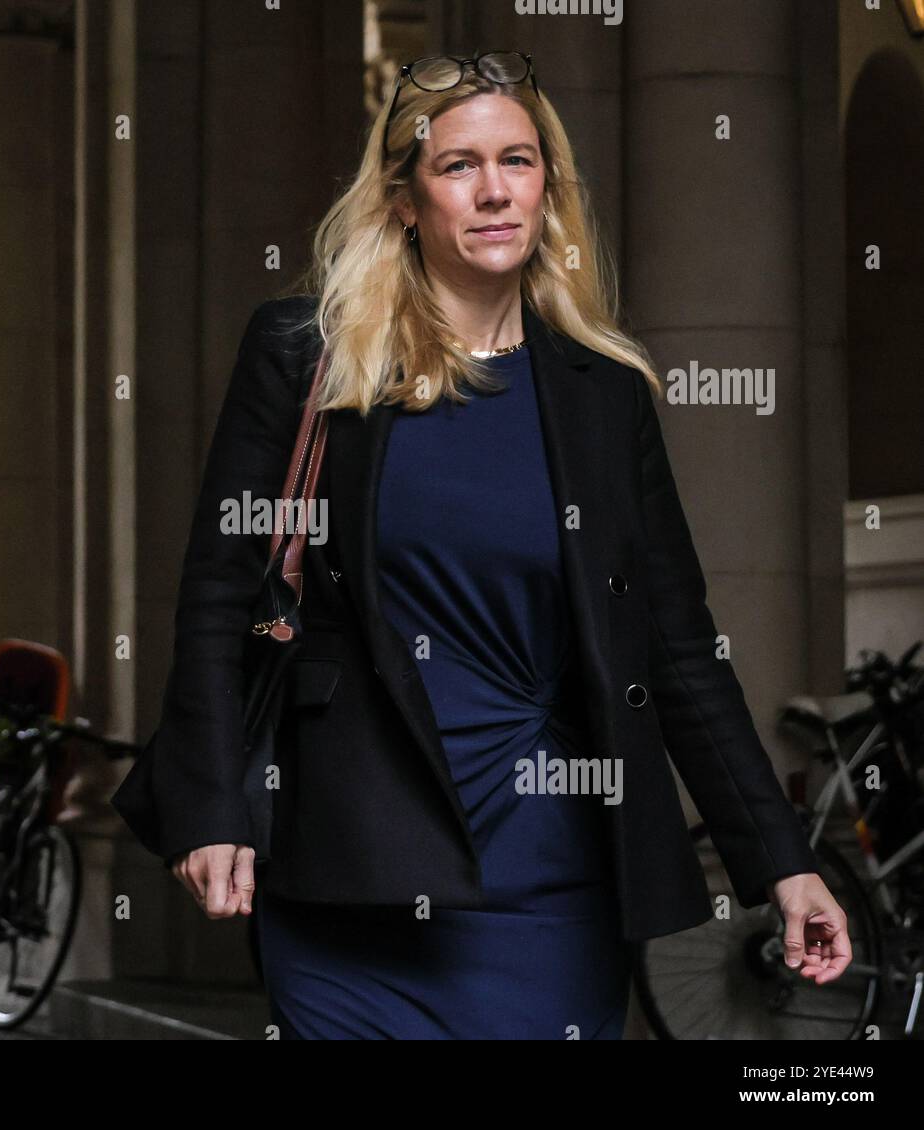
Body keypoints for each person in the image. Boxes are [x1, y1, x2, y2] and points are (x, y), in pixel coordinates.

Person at [112, 49, 850, 1039]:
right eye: (458, 164)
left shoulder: (603, 393)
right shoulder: (305, 356)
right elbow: (219, 594)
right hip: (348, 869)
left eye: (520, 159)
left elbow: (674, 641)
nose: (495, 189)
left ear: (549, 189)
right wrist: (210, 806)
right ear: (405, 199)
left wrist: (782, 857)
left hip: (550, 869)